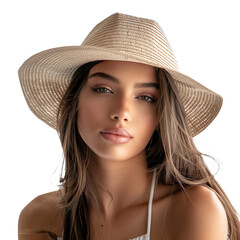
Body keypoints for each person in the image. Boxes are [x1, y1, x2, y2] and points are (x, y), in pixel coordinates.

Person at [17, 13, 240, 240]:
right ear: (75, 100)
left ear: (161, 116)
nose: (121, 113)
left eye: (145, 97)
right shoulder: (40, 217)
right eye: (103, 89)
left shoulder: (192, 209)